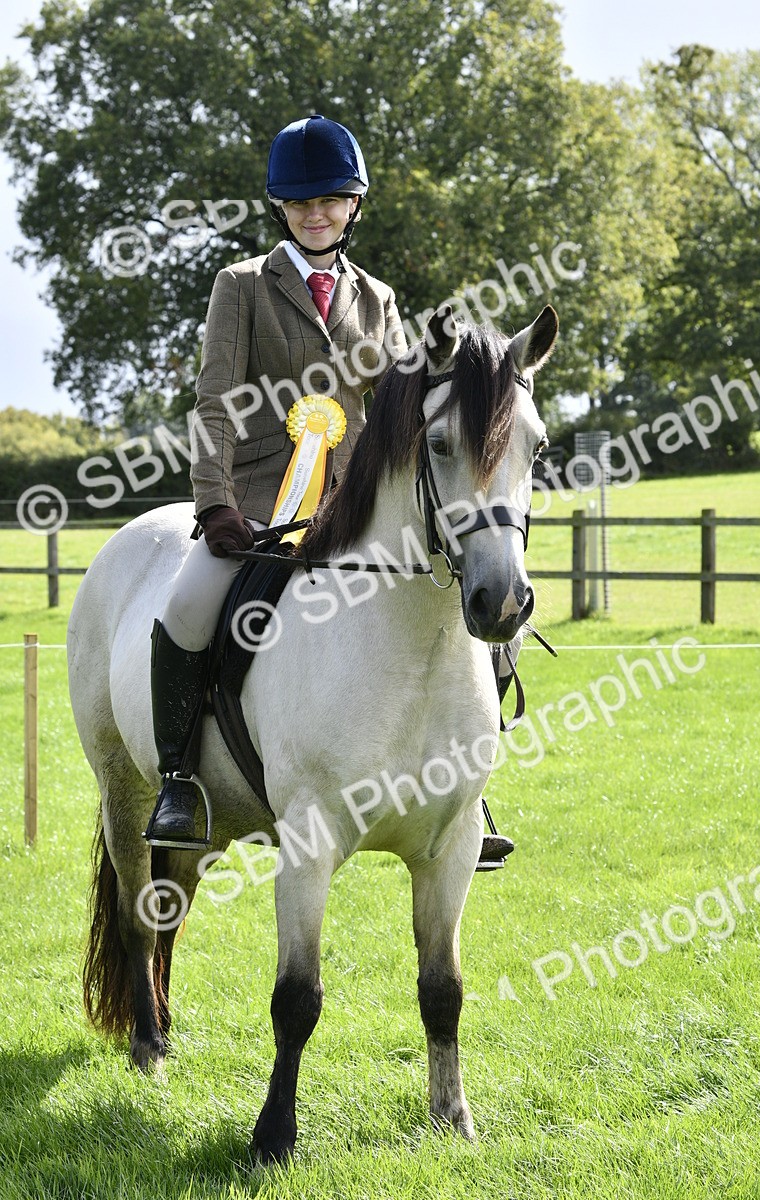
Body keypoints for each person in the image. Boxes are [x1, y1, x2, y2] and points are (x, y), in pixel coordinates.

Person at [145, 114, 513, 868]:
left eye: (332, 201)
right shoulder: (241, 287)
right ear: (281, 208)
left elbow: (400, 408)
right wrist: (213, 502)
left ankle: (464, 790)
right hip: (252, 507)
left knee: (474, 607)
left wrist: (433, 364)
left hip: (348, 510)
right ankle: (180, 780)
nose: (317, 214)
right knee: (188, 607)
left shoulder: (375, 297)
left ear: (353, 206)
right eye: (302, 203)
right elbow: (216, 399)